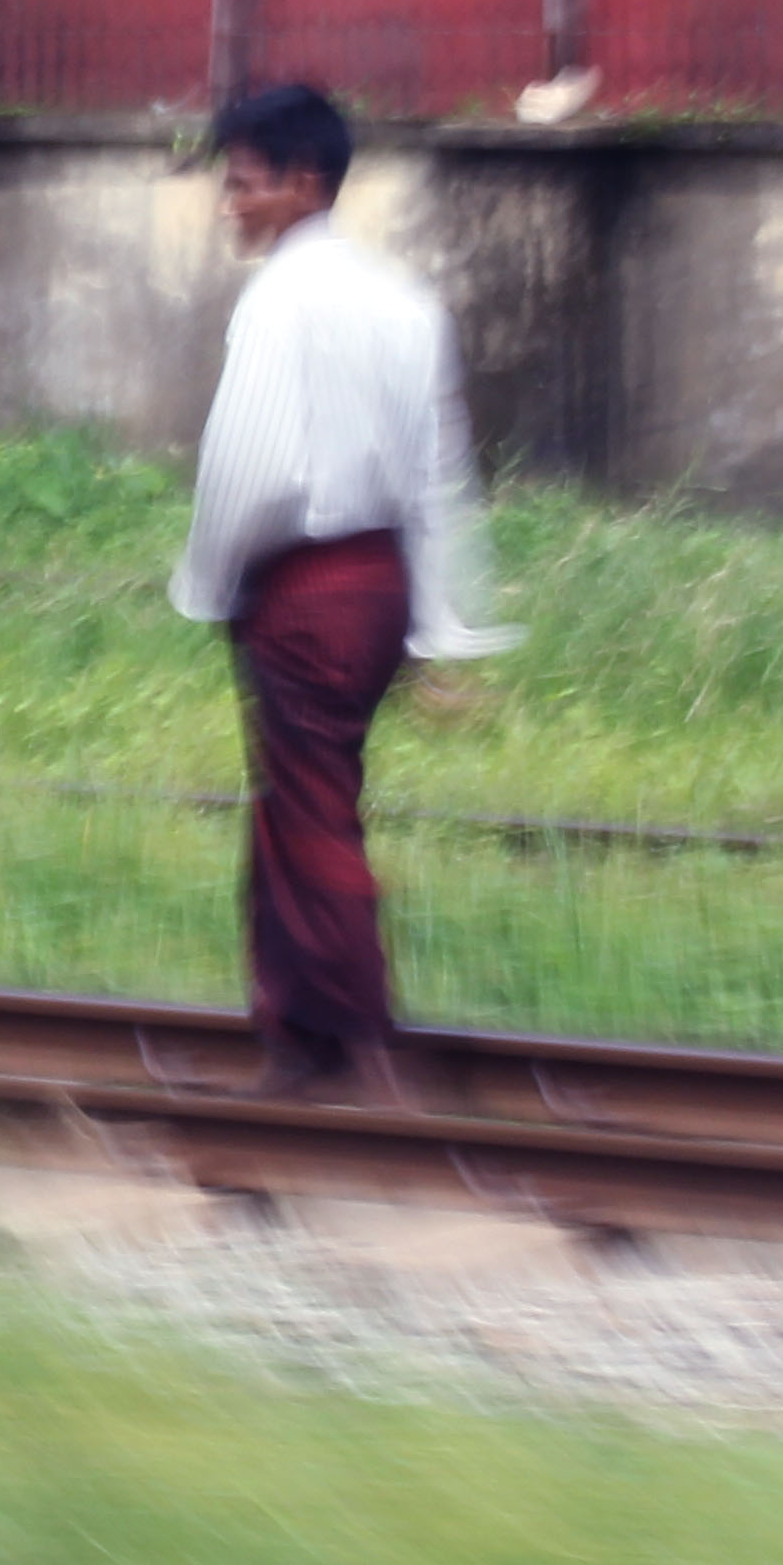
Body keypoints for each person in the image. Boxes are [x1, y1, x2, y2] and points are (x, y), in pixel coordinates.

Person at [170, 83, 516, 1099]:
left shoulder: (279, 301)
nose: (229, 204)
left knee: (306, 810)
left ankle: (352, 1039)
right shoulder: (403, 301)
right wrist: (438, 630)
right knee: (311, 800)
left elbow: (251, 468)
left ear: (301, 185)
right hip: (378, 588)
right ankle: (309, 1035)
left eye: (243, 184)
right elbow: (440, 475)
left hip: (304, 591)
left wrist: (210, 584)